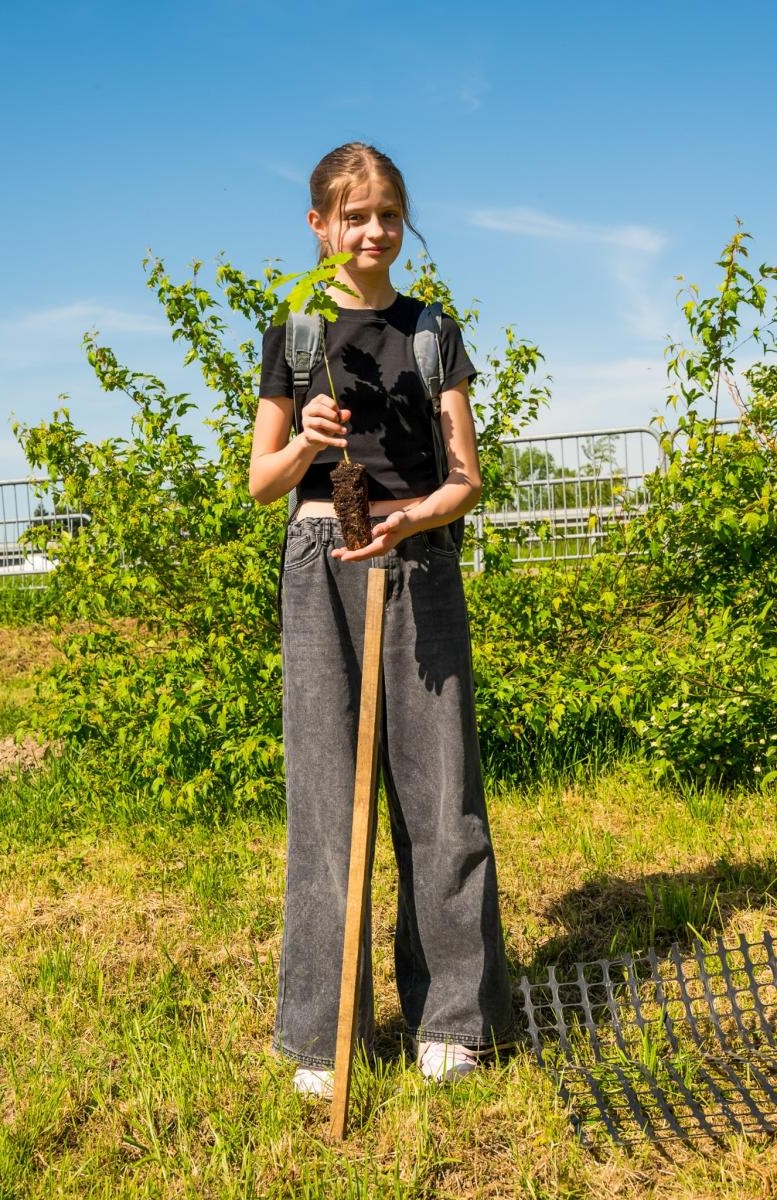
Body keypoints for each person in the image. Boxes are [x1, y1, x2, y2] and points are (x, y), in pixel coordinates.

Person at [250, 141, 512, 1098]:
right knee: (325, 799)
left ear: (402, 223)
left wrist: (415, 515)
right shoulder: (295, 330)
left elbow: (466, 480)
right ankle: (325, 1034)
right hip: (320, 561)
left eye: (388, 214)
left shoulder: (431, 329)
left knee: (440, 794)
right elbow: (259, 481)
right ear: (318, 226)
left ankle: (452, 1016)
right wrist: (307, 441)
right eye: (353, 215)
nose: (372, 231)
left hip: (418, 563)